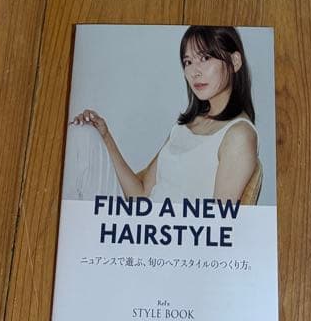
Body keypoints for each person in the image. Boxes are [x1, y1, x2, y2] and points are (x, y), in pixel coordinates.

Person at [68, 26, 259, 204]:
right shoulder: (185, 126)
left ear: (235, 61)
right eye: (188, 62)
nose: (194, 72)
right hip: (142, 220)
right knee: (82, 134)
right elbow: (142, 194)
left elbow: (218, 222)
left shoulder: (239, 135)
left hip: (167, 229)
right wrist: (105, 137)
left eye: (205, 58)